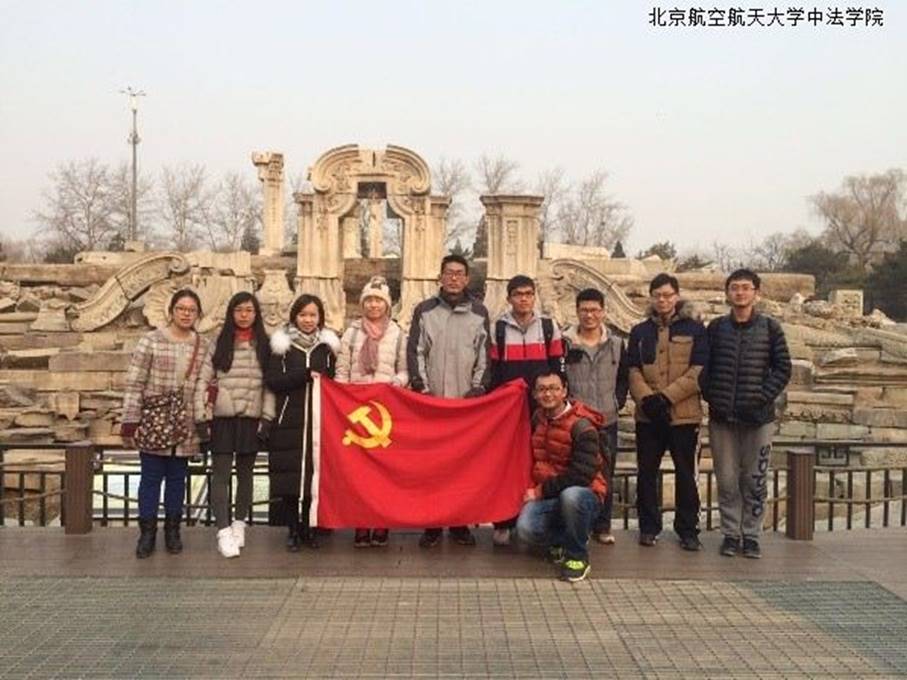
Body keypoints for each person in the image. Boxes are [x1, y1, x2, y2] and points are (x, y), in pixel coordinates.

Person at [702, 269, 791, 559]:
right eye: (735, 288)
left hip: (758, 419)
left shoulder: (770, 328)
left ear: (756, 293)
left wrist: (761, 397)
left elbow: (783, 369)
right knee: (727, 479)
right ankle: (731, 533)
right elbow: (703, 367)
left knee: (755, 479)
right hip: (722, 418)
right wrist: (712, 395)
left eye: (745, 287)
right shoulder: (716, 328)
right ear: (727, 293)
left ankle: (751, 535)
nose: (740, 293)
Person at [407, 254, 491, 548]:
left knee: (463, 467)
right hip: (432, 403)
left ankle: (459, 523)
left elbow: (484, 356)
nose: (454, 278)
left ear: (467, 279)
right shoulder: (425, 311)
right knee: (431, 467)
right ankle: (431, 524)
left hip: (465, 404)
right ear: (440, 277)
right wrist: (422, 388)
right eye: (449, 273)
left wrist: (477, 389)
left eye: (459, 274)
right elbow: (416, 351)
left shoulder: (479, 312)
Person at [121, 289, 208, 559]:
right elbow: (135, 382)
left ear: (197, 314)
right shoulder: (151, 340)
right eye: (181, 308)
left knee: (177, 480)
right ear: (171, 311)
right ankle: (147, 532)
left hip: (185, 422)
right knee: (150, 478)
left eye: (191, 310)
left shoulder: (203, 345)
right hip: (155, 420)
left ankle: (173, 531)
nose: (186, 314)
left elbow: (207, 382)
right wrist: (130, 421)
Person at [628, 273, 708, 551]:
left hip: (683, 415)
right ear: (651, 297)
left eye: (667, 295)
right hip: (648, 415)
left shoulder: (695, 329)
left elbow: (699, 370)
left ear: (676, 296)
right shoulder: (640, 331)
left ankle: (688, 529)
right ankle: (649, 527)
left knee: (686, 474)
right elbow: (633, 369)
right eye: (657, 295)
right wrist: (647, 399)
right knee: (646, 473)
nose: (662, 300)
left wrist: (667, 397)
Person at [194, 292, 275, 558]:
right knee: (221, 475)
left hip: (251, 416)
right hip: (223, 417)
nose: (244, 315)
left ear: (256, 314)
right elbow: (203, 381)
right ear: (231, 313)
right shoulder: (219, 342)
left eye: (249, 310)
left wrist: (267, 417)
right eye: (239, 310)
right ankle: (223, 529)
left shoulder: (265, 345)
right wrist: (200, 416)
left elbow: (270, 386)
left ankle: (239, 524)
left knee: (246, 475)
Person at [489, 274, 565, 546]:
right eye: (518, 294)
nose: (524, 299)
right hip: (509, 409)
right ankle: (504, 521)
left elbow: (558, 367)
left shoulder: (549, 327)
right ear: (509, 298)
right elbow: (493, 372)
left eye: (528, 294)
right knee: (507, 463)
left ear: (534, 296)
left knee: (543, 461)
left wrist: (555, 401)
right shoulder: (498, 329)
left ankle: (541, 521)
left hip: (541, 406)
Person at [335, 275, 408, 548]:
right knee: (359, 473)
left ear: (387, 305)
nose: (374, 305)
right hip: (356, 410)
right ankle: (361, 523)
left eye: (379, 300)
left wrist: (395, 383)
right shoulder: (352, 333)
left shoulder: (397, 334)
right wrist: (340, 398)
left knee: (383, 472)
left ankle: (381, 523)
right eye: (369, 300)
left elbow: (404, 369)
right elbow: (342, 370)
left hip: (385, 410)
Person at [516, 370, 607, 582]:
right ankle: (560, 541)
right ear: (535, 394)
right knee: (525, 529)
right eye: (542, 389)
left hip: (584, 493)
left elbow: (581, 475)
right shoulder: (537, 419)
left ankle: (577, 556)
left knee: (571, 496)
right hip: (551, 494)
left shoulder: (583, 426)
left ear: (564, 391)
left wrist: (539, 491)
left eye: (553, 389)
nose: (548, 394)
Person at [265, 294, 339, 552]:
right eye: (303, 315)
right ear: (295, 316)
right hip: (289, 419)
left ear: (320, 318)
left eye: (313, 315)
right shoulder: (281, 345)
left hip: (319, 419)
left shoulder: (327, 347)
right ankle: (293, 529)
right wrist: (303, 375)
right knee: (289, 478)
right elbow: (273, 380)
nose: (308, 320)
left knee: (313, 477)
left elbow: (335, 381)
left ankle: (309, 526)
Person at [562, 288, 629, 545]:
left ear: (603, 312)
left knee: (605, 473)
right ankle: (578, 525)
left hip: (606, 418)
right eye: (584, 310)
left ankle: (603, 525)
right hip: (576, 421)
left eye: (594, 310)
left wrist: (617, 401)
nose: (589, 315)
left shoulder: (616, 344)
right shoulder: (565, 342)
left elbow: (623, 378)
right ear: (577, 312)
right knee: (574, 472)